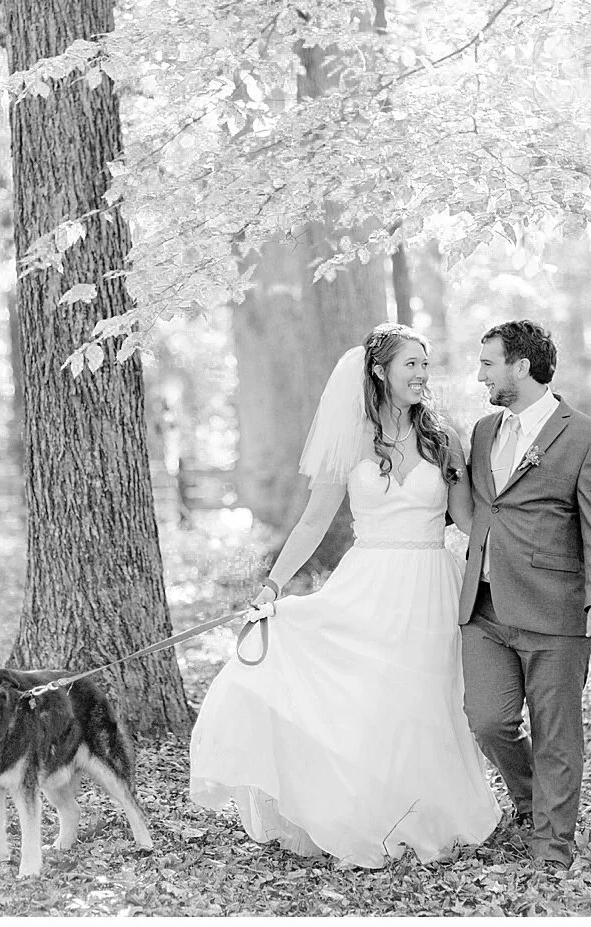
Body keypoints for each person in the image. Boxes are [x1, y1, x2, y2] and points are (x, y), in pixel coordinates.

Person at [190, 323, 501, 867]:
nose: (421, 375)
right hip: (369, 582)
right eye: (410, 364)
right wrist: (272, 585)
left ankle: (432, 817)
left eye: (425, 364)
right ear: (380, 371)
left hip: (432, 584)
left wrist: (509, 565)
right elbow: (313, 523)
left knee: (428, 702)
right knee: (372, 701)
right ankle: (368, 818)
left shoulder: (444, 440)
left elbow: (469, 520)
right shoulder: (352, 439)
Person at [458, 320, 591, 870]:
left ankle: (552, 846)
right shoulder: (484, 432)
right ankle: (532, 800)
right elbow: (480, 506)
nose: (480, 375)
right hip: (484, 607)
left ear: (521, 367)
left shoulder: (587, 438)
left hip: (555, 609)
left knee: (556, 733)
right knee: (487, 720)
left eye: (488, 363)